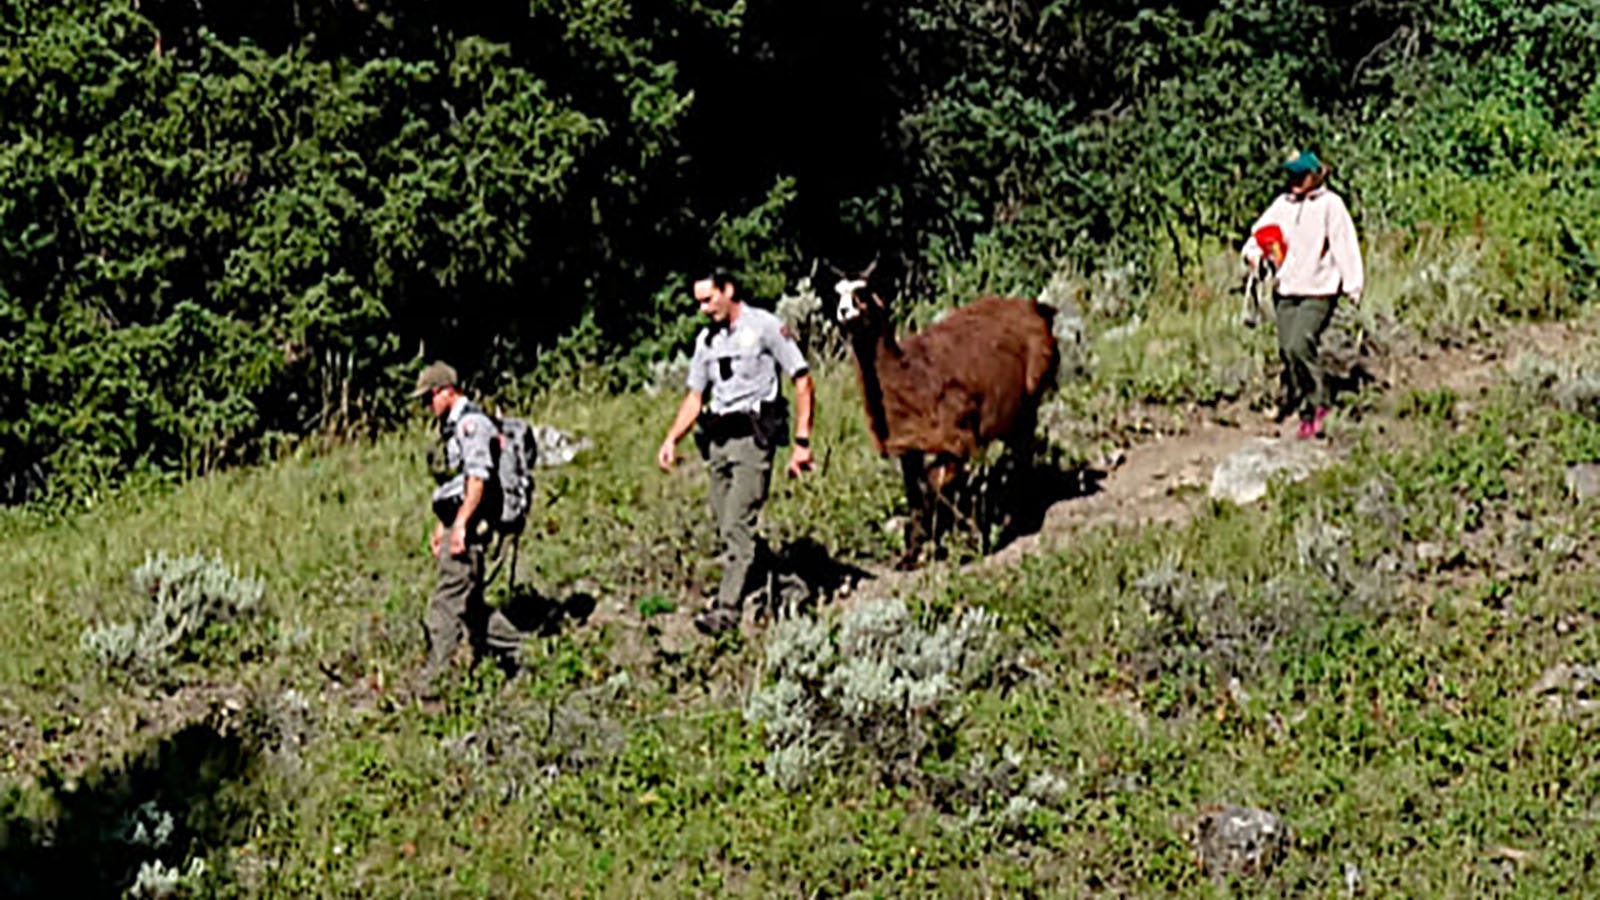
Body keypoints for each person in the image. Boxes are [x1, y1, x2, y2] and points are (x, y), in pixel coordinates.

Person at [656, 268, 816, 635]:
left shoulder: (764, 327)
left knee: (737, 523)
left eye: (708, 299)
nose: (703, 309)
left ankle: (726, 610)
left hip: (753, 437)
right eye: (698, 302)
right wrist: (671, 439)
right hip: (718, 441)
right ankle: (788, 583)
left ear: (728, 291)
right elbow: (695, 396)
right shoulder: (706, 342)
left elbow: (802, 379)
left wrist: (802, 442)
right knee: (726, 524)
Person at [413, 361, 530, 694]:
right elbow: (456, 485)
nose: (427, 406)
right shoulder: (454, 427)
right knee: (472, 609)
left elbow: (478, 479)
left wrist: (460, 526)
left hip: (470, 527)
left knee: (445, 606)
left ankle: (434, 689)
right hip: (461, 523)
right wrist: (443, 524)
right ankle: (521, 654)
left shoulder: (472, 425)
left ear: (447, 391)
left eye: (429, 397)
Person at [1241, 149, 1365, 439]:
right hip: (1285, 289)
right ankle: (1304, 406)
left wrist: (1352, 283)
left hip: (1319, 289)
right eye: (1292, 174)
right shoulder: (1282, 205)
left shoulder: (1331, 205)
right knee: (1287, 349)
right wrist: (1254, 256)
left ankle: (1318, 405)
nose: (1295, 180)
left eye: (1301, 174)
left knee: (1300, 343)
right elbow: (1259, 235)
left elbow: (1344, 243)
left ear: (1315, 176)